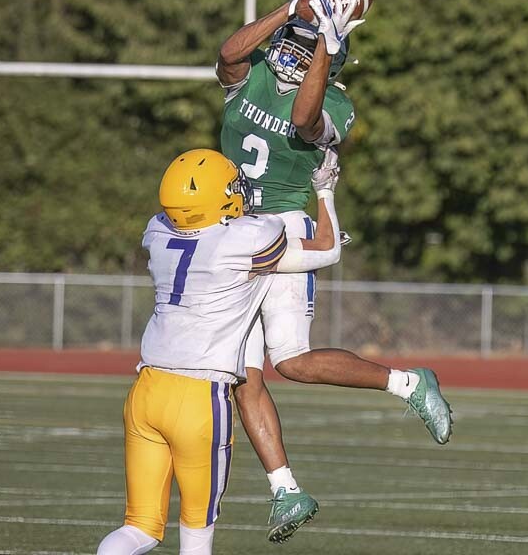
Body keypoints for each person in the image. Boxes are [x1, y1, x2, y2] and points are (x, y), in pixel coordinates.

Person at [216, 0, 453, 543]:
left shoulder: (337, 105)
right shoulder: (246, 79)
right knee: (240, 374)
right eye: (294, 42)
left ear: (330, 58)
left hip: (287, 225)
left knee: (290, 361)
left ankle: (407, 383)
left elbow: (303, 120)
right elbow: (228, 53)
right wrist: (290, 10)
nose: (293, 52)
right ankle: (286, 491)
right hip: (231, 229)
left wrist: (324, 41)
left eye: (309, 46)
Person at [96, 148, 343, 555]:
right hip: (199, 398)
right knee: (196, 538)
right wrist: (324, 191)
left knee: (138, 528)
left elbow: (200, 227)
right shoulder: (249, 236)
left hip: (146, 390)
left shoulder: (157, 233)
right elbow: (327, 248)